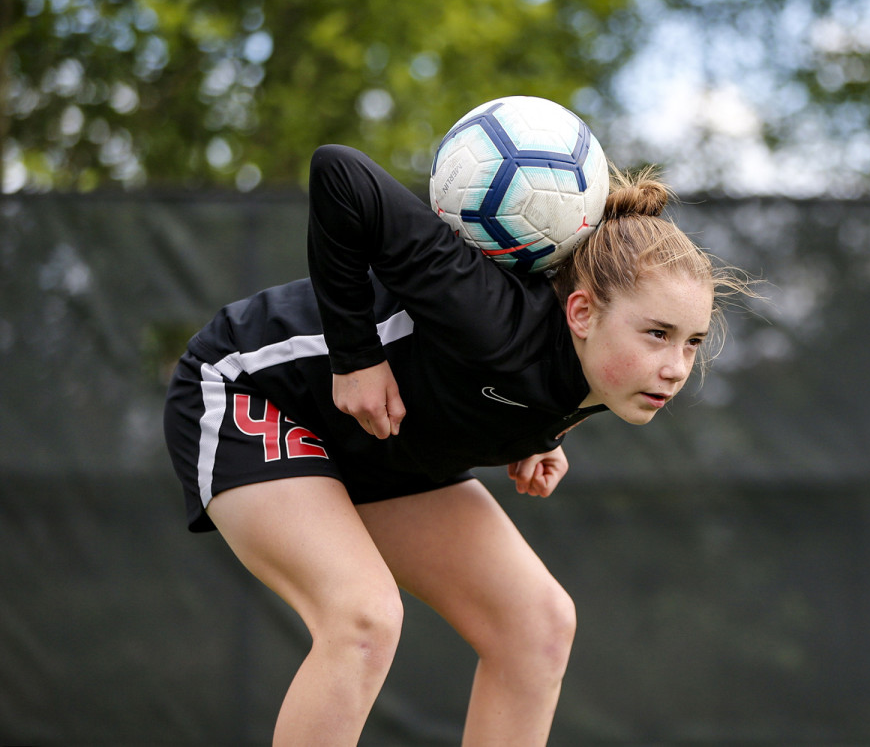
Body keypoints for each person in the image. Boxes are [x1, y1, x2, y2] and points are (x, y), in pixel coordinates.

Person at [163, 140, 741, 746]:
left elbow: (500, 385)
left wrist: (533, 433)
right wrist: (355, 357)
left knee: (536, 626)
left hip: (382, 445)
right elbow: (341, 173)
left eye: (692, 341)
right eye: (657, 334)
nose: (676, 366)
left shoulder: (604, 378)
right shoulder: (490, 316)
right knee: (363, 619)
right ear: (579, 313)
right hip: (250, 391)